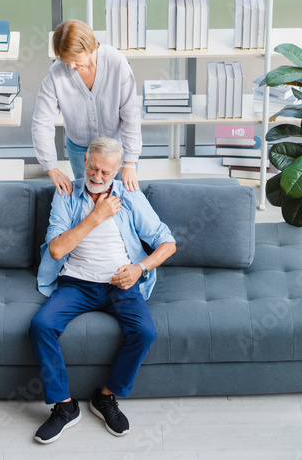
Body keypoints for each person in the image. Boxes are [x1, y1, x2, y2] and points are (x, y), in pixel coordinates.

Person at [29, 137, 176, 444]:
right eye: (93, 168)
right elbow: (56, 250)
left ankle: (105, 398)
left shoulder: (130, 195)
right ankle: (64, 407)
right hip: (76, 282)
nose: (97, 177)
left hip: (119, 283)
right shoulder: (67, 194)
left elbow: (167, 242)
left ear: (118, 170)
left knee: (145, 331)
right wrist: (96, 216)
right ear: (84, 162)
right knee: (42, 325)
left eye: (105, 172)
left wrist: (140, 268)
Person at [31, 19, 142, 196]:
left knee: (124, 198)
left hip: (116, 149)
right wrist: (51, 168)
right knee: (89, 199)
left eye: (75, 60)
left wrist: (129, 163)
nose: (71, 66)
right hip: (80, 149)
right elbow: (41, 124)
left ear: (88, 46)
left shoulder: (116, 63)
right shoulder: (56, 73)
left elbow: (131, 117)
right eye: (66, 61)